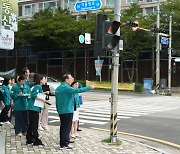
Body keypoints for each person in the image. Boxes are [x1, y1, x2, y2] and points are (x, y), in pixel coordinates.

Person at [55, 73, 94, 150]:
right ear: (66, 79)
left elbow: (78, 87)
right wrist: (90, 87)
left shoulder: (61, 87)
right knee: (66, 128)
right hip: (67, 110)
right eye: (71, 78)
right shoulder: (65, 87)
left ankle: (65, 142)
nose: (72, 79)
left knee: (64, 127)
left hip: (63, 110)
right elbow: (78, 90)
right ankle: (64, 144)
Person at [26, 74, 50, 146]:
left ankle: (29, 138)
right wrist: (43, 100)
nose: (45, 80)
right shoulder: (38, 86)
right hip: (34, 107)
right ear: (40, 80)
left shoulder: (36, 86)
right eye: (44, 79)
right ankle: (36, 139)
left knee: (31, 124)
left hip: (33, 107)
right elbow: (34, 95)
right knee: (34, 124)